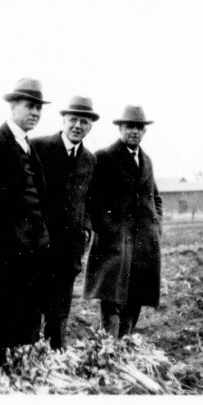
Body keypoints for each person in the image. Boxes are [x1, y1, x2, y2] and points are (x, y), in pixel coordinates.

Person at [0, 78, 50, 369]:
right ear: (12, 106)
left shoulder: (28, 146)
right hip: (9, 254)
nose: (35, 113)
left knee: (31, 317)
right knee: (6, 319)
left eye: (38, 108)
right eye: (29, 106)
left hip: (33, 254)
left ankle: (25, 374)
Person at [83, 105, 162, 338]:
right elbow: (93, 200)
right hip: (114, 246)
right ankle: (109, 352)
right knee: (112, 302)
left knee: (133, 302)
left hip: (142, 247)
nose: (134, 132)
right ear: (120, 128)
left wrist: (156, 226)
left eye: (139, 127)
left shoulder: (146, 160)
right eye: (129, 127)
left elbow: (155, 197)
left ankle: (124, 349)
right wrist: (109, 228)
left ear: (144, 131)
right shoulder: (104, 157)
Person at [30, 96, 98, 350]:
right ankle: (30, 363)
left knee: (58, 316)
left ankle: (55, 363)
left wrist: (87, 229)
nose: (78, 125)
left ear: (90, 126)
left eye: (84, 121)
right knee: (32, 312)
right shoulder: (39, 147)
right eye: (73, 120)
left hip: (68, 253)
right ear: (63, 121)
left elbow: (89, 201)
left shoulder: (90, 160)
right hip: (39, 248)